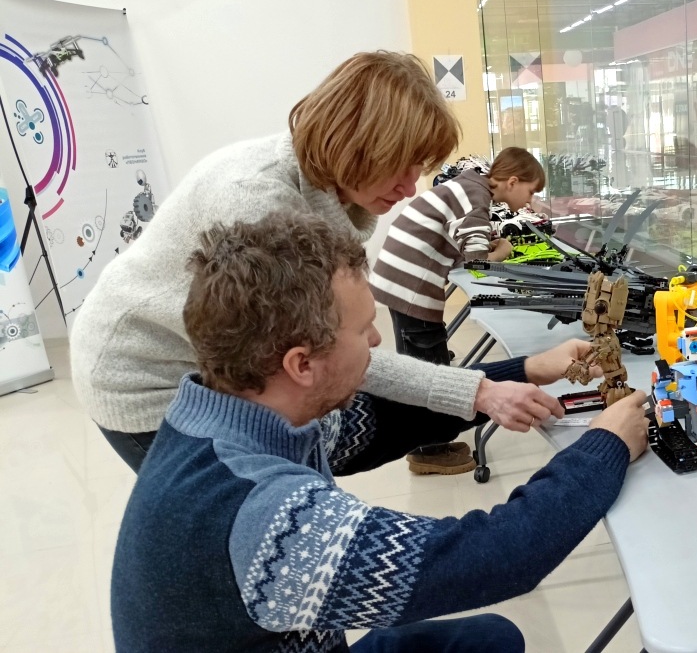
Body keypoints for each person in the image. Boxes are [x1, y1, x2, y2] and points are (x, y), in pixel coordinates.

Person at [111, 210, 649, 653]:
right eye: (362, 328)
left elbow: (382, 425)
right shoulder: (263, 519)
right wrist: (605, 445)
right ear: (301, 364)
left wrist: (523, 372)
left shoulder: (237, 416)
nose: (375, 340)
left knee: (491, 639)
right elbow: (498, 557)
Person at [69, 51, 559, 472]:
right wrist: (482, 391)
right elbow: (330, 354)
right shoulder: (257, 202)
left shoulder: (320, 191)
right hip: (146, 378)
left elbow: (340, 354)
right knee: (255, 495)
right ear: (356, 142)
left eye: (419, 169)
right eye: (401, 164)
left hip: (214, 369)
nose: (411, 188)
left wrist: (513, 376)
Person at [370, 147, 546, 475]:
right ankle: (427, 451)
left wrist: (486, 243)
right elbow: (477, 263)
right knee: (427, 366)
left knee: (430, 355)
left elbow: (463, 239)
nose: (530, 201)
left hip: (403, 279)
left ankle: (431, 441)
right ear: (512, 181)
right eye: (531, 191)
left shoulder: (472, 186)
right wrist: (502, 251)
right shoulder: (476, 196)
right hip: (409, 284)